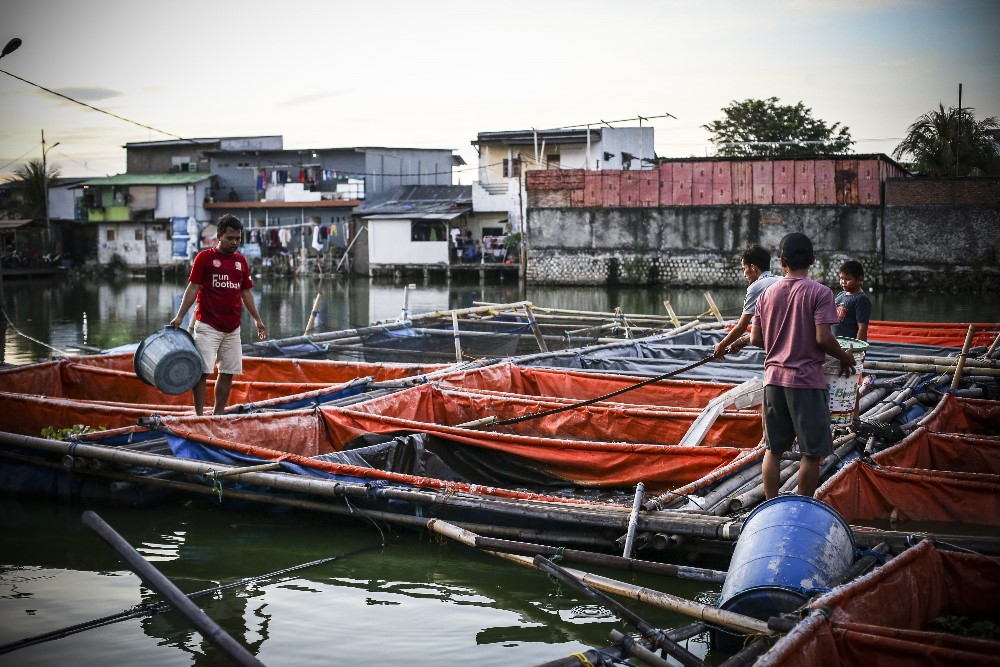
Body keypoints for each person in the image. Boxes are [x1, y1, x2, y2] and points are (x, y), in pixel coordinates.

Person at [750, 232, 856, 499]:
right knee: (812, 452)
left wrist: (781, 344)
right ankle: (803, 506)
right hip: (806, 382)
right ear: (812, 260)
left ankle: (771, 504)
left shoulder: (766, 294)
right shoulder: (820, 293)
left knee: (773, 450)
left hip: (772, 380)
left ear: (782, 263)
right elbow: (823, 338)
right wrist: (844, 357)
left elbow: (755, 339)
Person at [169, 215, 266, 415]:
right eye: (230, 238)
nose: (234, 243)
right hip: (207, 325)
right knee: (202, 372)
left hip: (232, 328)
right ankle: (198, 416)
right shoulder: (204, 258)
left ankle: (218, 414)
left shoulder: (240, 262)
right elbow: (192, 288)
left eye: (238, 239)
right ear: (219, 236)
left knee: (228, 372)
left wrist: (257, 320)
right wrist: (180, 316)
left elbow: (245, 292)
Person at [713, 244, 781, 359]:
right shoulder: (782, 280)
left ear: (753, 267)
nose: (744, 274)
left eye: (744, 269)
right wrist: (742, 340)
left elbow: (741, 327)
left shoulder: (756, 287)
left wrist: (722, 345)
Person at [832, 259, 872, 341]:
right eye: (841, 278)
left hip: (849, 347)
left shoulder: (861, 299)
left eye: (847, 279)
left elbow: (862, 328)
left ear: (859, 280)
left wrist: (857, 351)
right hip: (836, 346)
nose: (843, 282)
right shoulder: (841, 295)